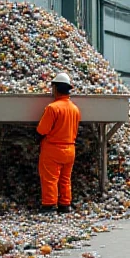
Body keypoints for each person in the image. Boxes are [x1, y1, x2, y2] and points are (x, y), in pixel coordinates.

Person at [36, 72, 81, 214]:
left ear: (55, 88)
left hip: (53, 149)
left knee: (50, 179)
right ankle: (65, 205)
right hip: (70, 149)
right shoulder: (75, 109)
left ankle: (49, 206)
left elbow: (42, 130)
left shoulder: (53, 108)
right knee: (65, 179)